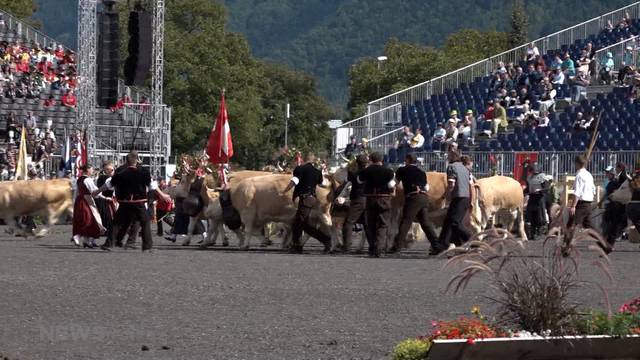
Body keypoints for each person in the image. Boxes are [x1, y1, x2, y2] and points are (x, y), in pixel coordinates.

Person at [98, 151, 156, 252]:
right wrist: (151, 199)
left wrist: (97, 191)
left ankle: (109, 244)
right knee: (145, 222)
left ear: (127, 161)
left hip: (124, 202)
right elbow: (152, 186)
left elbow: (109, 185)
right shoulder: (143, 173)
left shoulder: (120, 173)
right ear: (137, 160)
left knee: (116, 223)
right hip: (139, 202)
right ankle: (147, 246)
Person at [283, 152, 332, 253]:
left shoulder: (300, 169)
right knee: (297, 223)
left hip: (305, 199)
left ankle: (326, 240)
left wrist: (285, 190)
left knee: (302, 223)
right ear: (313, 160)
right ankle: (297, 246)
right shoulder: (317, 171)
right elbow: (322, 184)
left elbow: (295, 181)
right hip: (312, 199)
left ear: (303, 159)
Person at [390, 153, 438, 253]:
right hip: (424, 197)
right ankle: (437, 245)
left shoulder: (402, 170)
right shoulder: (421, 172)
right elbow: (426, 187)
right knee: (425, 223)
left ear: (407, 160)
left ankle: (397, 246)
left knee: (405, 222)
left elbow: (392, 183)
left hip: (413, 198)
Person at [357, 152, 395, 257]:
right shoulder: (389, 172)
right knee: (383, 224)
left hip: (370, 199)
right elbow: (391, 185)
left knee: (371, 224)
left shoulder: (366, 171)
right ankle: (379, 249)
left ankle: (372, 248)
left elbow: (359, 181)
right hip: (384, 198)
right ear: (381, 160)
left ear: (371, 160)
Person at [435, 150, 472, 255]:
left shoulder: (452, 167)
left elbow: (451, 184)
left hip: (458, 197)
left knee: (455, 222)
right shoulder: (465, 168)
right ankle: (448, 245)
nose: (447, 157)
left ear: (452, 157)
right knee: (449, 222)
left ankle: (472, 239)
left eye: (449, 156)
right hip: (465, 197)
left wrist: (446, 196)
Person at [71, 164, 105, 248]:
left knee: (84, 219)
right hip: (87, 200)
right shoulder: (88, 180)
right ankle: (83, 238)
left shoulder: (79, 179)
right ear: (88, 170)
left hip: (79, 200)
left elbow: (76, 192)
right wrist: (103, 196)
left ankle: (86, 240)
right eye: (92, 169)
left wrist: (74, 201)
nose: (93, 171)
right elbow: (94, 190)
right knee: (92, 219)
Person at [340, 154, 368, 252]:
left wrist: (351, 166)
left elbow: (345, 180)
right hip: (369, 199)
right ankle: (373, 246)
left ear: (357, 163)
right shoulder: (370, 172)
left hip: (358, 200)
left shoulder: (353, 173)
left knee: (348, 223)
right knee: (367, 224)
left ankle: (346, 246)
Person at [567, 155, 596, 236]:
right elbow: (593, 190)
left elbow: (577, 193)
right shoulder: (589, 175)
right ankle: (604, 244)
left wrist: (573, 206)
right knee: (590, 227)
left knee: (571, 226)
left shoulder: (579, 175)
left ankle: (566, 246)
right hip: (588, 204)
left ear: (577, 164)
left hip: (581, 204)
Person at [525, 163, 548, 239]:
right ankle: (532, 232)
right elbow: (528, 188)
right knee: (531, 215)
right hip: (532, 197)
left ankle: (539, 232)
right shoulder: (529, 177)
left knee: (539, 216)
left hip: (539, 198)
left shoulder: (542, 177)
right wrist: (524, 191)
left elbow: (546, 188)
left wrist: (540, 190)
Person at [95, 161, 116, 241]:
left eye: (110, 170)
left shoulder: (115, 177)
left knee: (110, 215)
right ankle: (107, 230)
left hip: (111, 198)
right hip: (104, 198)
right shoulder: (103, 178)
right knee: (106, 215)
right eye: (106, 170)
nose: (108, 171)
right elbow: (99, 189)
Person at [625, 171, 640, 245]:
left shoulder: (633, 182)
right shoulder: (633, 183)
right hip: (634, 206)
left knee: (637, 223)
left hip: (633, 207)